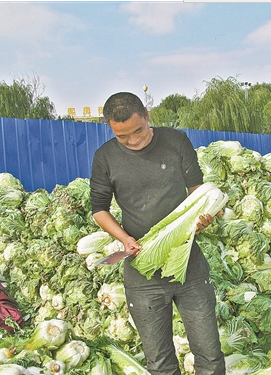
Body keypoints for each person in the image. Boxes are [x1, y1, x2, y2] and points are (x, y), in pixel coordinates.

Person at [90, 92, 226, 375]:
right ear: (111, 128)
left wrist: (204, 217)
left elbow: (196, 192)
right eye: (122, 136)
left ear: (147, 115)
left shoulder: (176, 141)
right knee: (160, 363)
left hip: (189, 265)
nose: (133, 141)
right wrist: (125, 238)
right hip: (143, 271)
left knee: (210, 356)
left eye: (137, 131)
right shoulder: (105, 157)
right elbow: (99, 209)